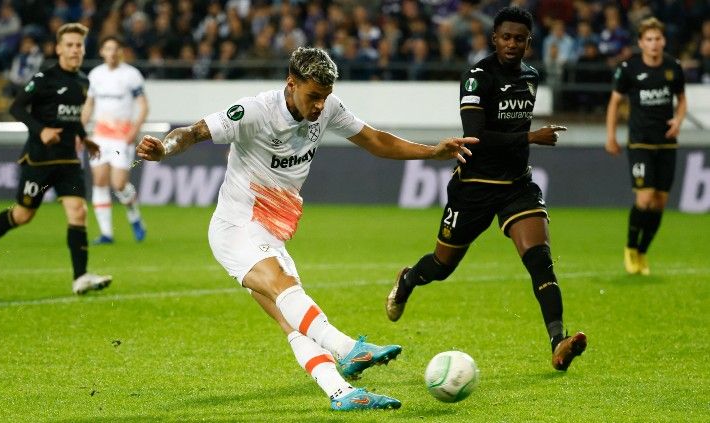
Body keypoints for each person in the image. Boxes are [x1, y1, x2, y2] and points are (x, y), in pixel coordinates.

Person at [135, 46, 477, 410]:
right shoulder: (254, 111)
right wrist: (163, 151)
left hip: (271, 232)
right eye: (313, 96)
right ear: (291, 83)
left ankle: (342, 394)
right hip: (238, 226)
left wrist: (431, 152)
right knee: (286, 290)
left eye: (325, 97)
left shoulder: (327, 107)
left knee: (293, 321)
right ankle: (350, 348)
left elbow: (374, 139)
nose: (319, 106)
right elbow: (192, 132)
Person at [384, 7, 587, 372]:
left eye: (520, 39)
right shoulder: (477, 77)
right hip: (474, 186)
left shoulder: (530, 76)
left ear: (529, 42)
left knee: (540, 260)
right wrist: (530, 137)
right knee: (441, 266)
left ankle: (559, 341)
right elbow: (475, 138)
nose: (512, 44)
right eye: (506, 37)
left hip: (516, 186)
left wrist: (525, 141)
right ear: (494, 39)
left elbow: (511, 131)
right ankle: (408, 279)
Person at [0, 23, 112, 295]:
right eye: (69, 45)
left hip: (68, 159)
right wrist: (41, 130)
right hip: (40, 160)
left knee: (78, 211)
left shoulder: (83, 81)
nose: (74, 50)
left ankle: (80, 277)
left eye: (78, 45)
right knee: (23, 215)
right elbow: (16, 107)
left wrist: (84, 136)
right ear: (58, 49)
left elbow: (69, 117)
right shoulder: (44, 79)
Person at [605, 17, 686, 275]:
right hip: (640, 141)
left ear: (664, 41)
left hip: (667, 143)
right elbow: (615, 103)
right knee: (645, 198)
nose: (654, 44)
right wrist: (611, 136)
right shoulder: (629, 69)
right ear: (641, 43)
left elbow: (682, 100)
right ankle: (630, 248)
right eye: (649, 39)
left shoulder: (673, 67)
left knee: (660, 203)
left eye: (658, 39)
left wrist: (679, 119)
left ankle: (643, 251)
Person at [81, 35, 149, 245]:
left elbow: (144, 105)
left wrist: (134, 130)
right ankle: (106, 233)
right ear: (102, 51)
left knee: (118, 184)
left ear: (120, 52)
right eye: (107, 48)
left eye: (115, 49)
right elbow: (89, 105)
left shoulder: (131, 75)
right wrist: (80, 130)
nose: (111, 53)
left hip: (122, 137)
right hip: (99, 136)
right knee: (99, 180)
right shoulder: (95, 75)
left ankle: (134, 216)